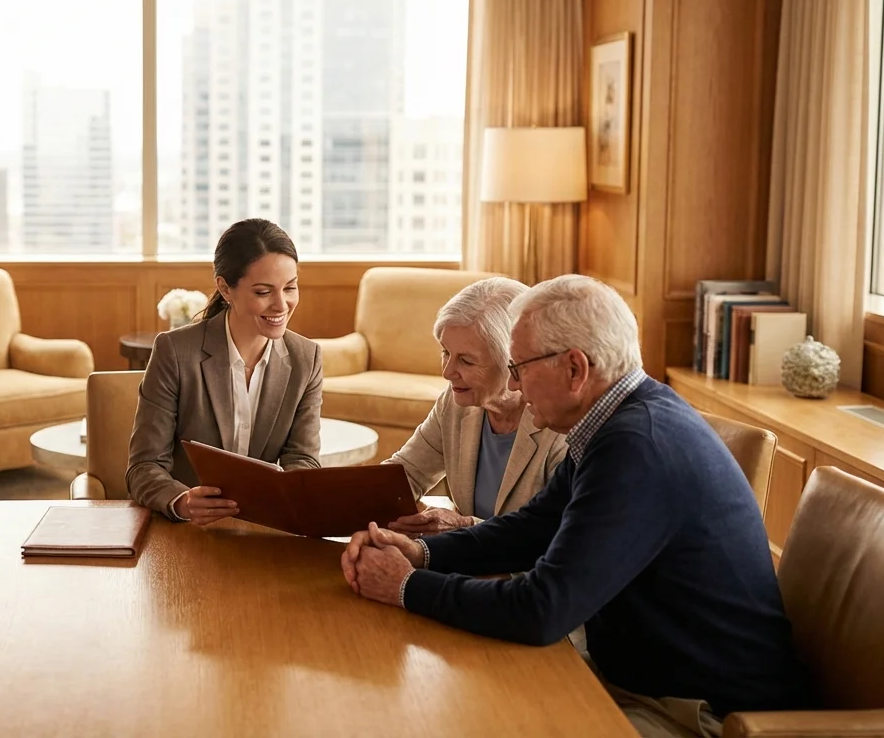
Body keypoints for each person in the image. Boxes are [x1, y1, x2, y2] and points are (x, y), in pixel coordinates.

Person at [341, 275, 814, 737]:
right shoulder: (618, 424)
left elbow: (542, 608)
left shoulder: (636, 448)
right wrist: (422, 554)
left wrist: (406, 587)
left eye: (520, 366)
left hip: (698, 712)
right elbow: (531, 528)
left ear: (575, 369)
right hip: (635, 680)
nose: (516, 385)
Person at [127, 219, 323, 525]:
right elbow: (144, 466)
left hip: (263, 529)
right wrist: (182, 501)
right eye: (263, 292)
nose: (281, 304)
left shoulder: (306, 358)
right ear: (225, 288)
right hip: (187, 531)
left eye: (290, 287)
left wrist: (290, 496)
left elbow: (303, 459)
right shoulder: (175, 352)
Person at [384, 278, 567, 536]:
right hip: (469, 566)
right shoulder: (458, 401)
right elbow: (406, 473)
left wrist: (467, 528)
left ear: (513, 361)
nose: (448, 373)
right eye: (445, 353)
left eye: (466, 361)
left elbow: (559, 536)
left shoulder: (561, 423)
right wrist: (343, 501)